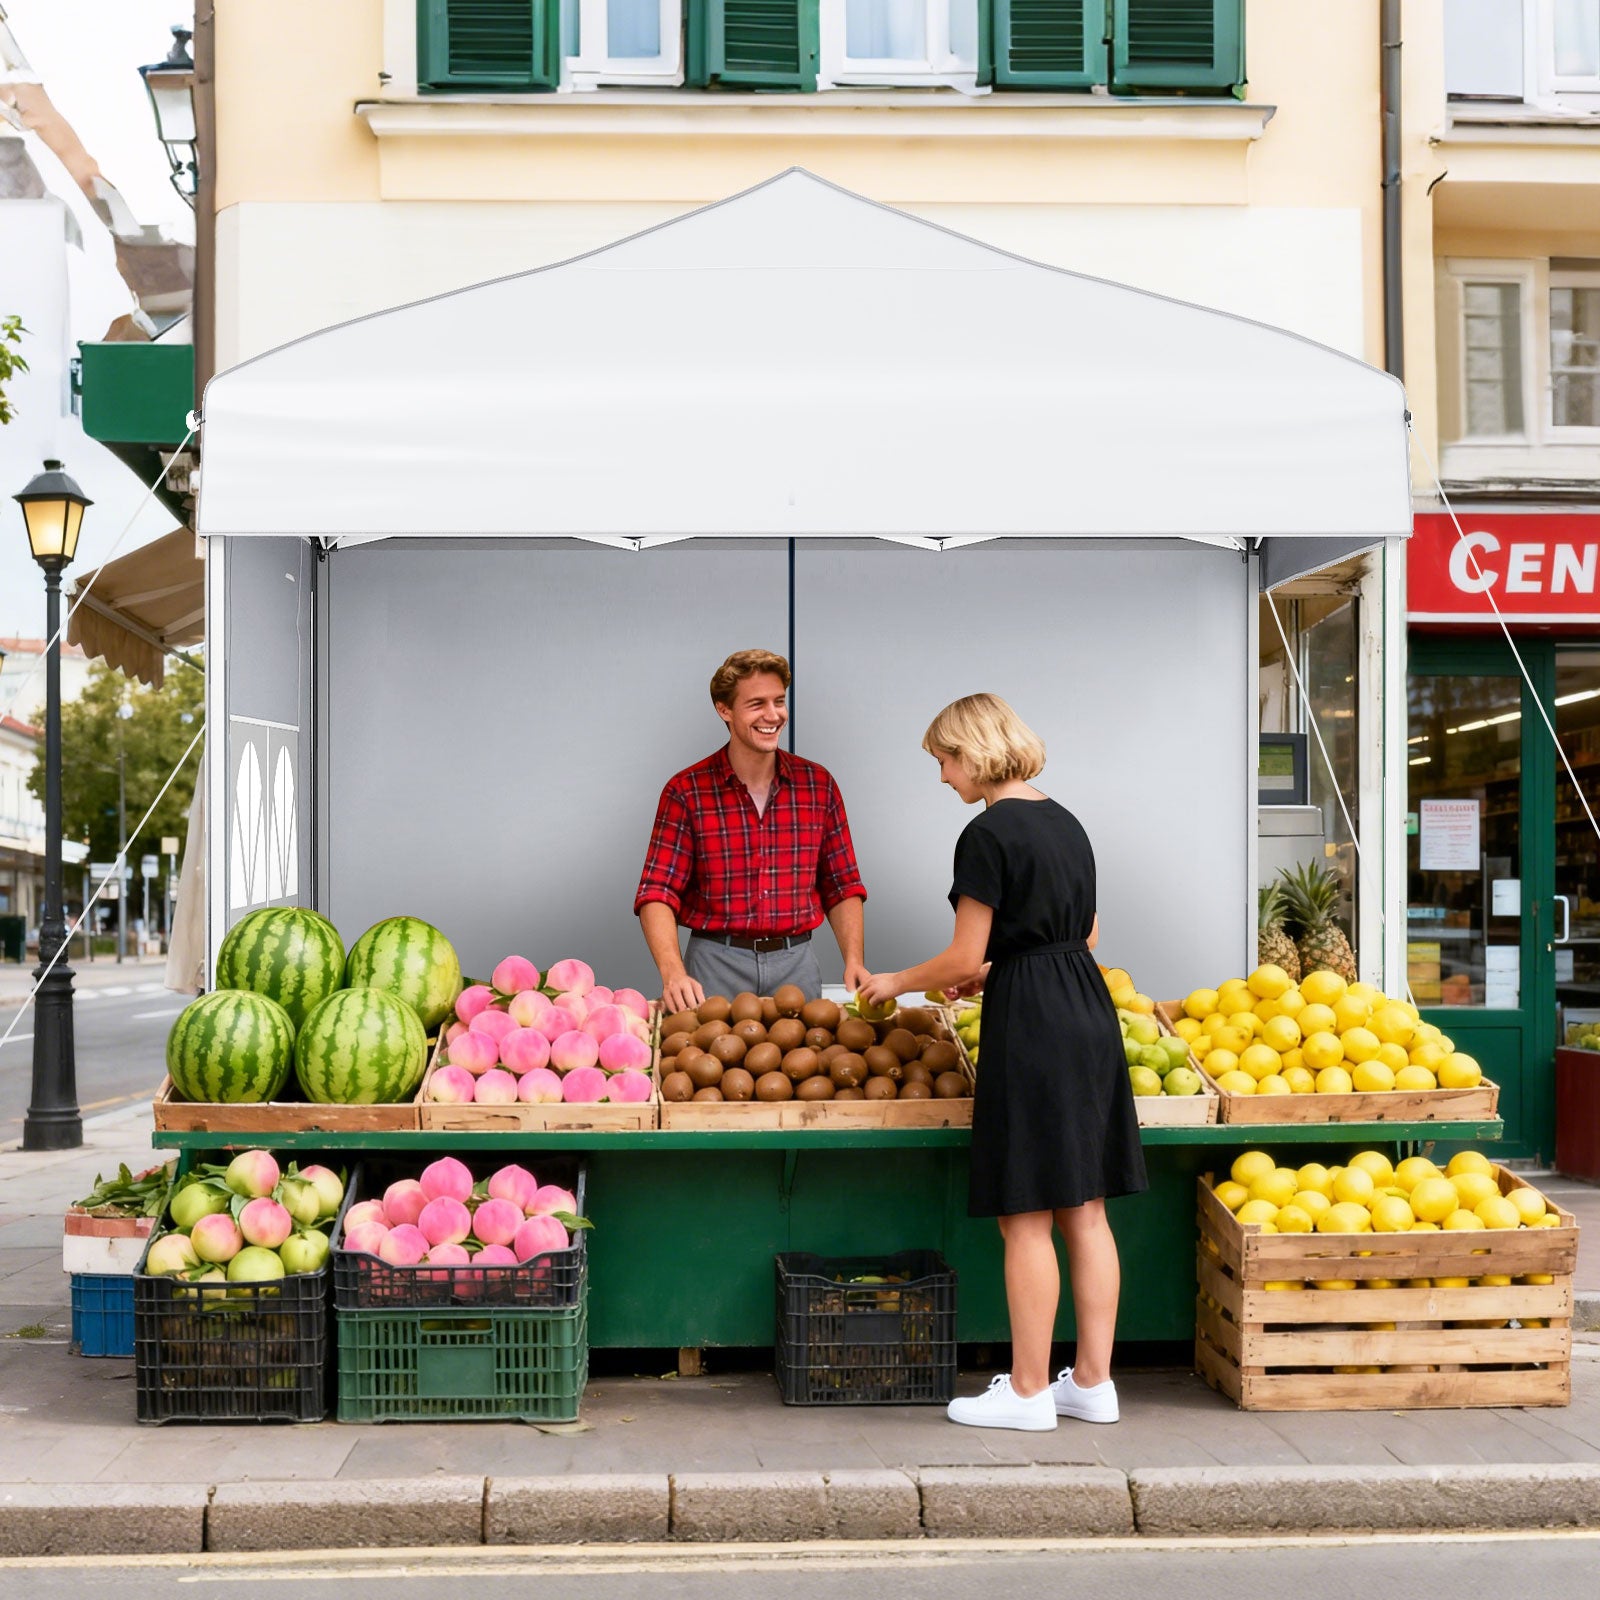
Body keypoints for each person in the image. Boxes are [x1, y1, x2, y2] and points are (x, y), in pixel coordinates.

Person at [858, 693, 1146, 1432]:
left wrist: (894, 980)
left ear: (976, 751)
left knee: (1026, 1215)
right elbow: (1082, 934)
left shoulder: (986, 834)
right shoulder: (1065, 821)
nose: (943, 776)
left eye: (945, 759)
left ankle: (1025, 1393)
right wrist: (998, 969)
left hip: (1035, 1023)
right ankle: (1092, 1383)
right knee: (1086, 1209)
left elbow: (962, 953)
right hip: (1086, 1008)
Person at [635, 649, 870, 1011]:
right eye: (757, 704)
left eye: (779, 701)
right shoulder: (686, 791)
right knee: (707, 1067)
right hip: (714, 963)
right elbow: (657, 892)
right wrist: (673, 972)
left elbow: (842, 884)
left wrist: (854, 960)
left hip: (797, 962)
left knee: (804, 1065)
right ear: (724, 710)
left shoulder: (818, 785)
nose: (773, 715)